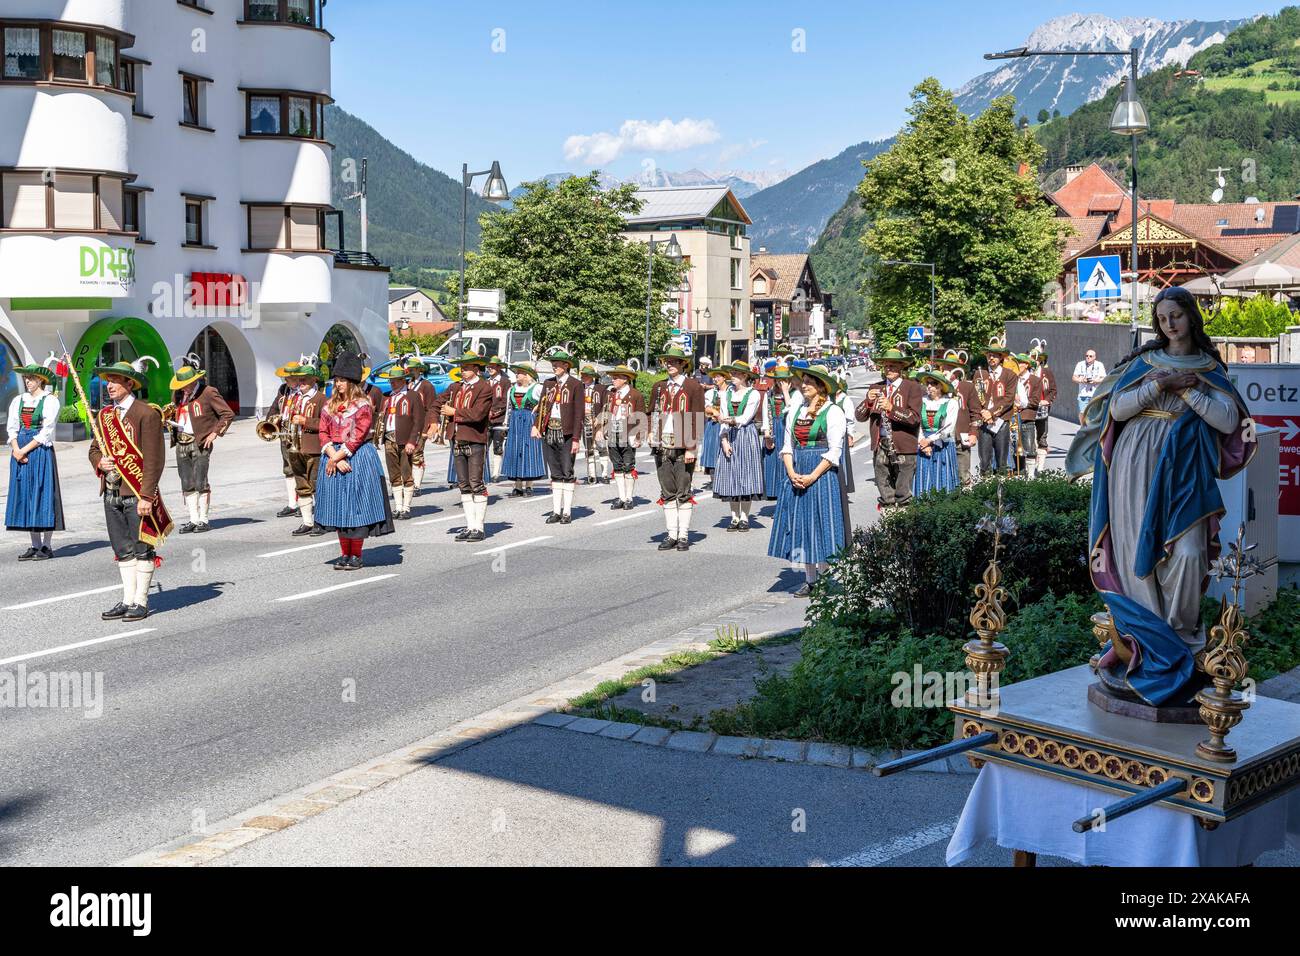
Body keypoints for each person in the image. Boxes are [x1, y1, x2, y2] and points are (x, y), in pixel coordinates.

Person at [1067, 287, 1254, 707]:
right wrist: (1161, 385)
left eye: (1176, 315)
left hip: (1185, 472)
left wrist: (1188, 390)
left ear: (1191, 317)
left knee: (1187, 553)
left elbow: (1227, 421)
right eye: (1162, 317)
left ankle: (1178, 642)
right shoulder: (1143, 362)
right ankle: (1147, 642)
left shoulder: (1211, 367)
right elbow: (1115, 411)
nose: (1169, 324)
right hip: (1135, 466)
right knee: (1137, 554)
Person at [86, 357, 173, 621]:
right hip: (111, 492)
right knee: (122, 548)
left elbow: (154, 459)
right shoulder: (104, 415)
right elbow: (94, 448)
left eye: (114, 381)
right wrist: (99, 460)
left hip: (136, 493)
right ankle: (127, 600)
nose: (109, 386)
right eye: (107, 381)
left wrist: (147, 496)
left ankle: (141, 601)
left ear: (129, 383)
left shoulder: (146, 414)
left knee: (142, 546)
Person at [768, 365, 850, 597]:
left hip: (821, 474)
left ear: (821, 386)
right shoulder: (796, 410)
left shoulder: (833, 412)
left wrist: (813, 475)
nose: (803, 384)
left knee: (821, 523)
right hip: (797, 470)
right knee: (801, 525)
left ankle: (825, 577)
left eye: (809, 381)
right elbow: (787, 446)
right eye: (802, 380)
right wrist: (791, 472)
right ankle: (810, 579)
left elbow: (835, 451)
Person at [314, 352, 394, 569]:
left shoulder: (362, 404)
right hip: (334, 456)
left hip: (357, 457)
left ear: (351, 382)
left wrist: (340, 455)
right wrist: (332, 455)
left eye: (342, 380)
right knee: (338, 508)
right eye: (337, 380)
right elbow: (323, 432)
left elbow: (359, 434)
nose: (338, 384)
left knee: (355, 507)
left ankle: (356, 555)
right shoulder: (329, 405)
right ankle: (344, 554)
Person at [168, 354, 234, 534]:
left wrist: (215, 433)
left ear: (194, 380)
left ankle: (203, 520)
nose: (184, 389)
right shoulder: (179, 394)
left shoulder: (208, 392)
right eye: (181, 386)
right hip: (181, 441)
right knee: (186, 482)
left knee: (200, 481)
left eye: (186, 385)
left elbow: (227, 414)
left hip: (200, 441)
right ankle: (193, 519)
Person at [649, 345, 705, 551]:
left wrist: (692, 447)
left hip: (684, 445)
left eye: (674, 361)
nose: (669, 365)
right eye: (667, 361)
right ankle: (671, 534)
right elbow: (650, 413)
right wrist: (648, 432)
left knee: (683, 490)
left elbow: (699, 418)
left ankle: (683, 535)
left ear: (683, 364)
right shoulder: (658, 387)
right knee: (667, 490)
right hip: (662, 443)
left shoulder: (693, 387)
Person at [6, 360, 64, 560]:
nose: (27, 381)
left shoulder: (50, 400)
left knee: (43, 492)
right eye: (26, 378)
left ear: (41, 380)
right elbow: (12, 427)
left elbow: (46, 432)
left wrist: (24, 450)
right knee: (27, 494)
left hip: (38, 450)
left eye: (31, 378)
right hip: (20, 449)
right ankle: (34, 544)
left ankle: (47, 546)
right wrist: (16, 449)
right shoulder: (18, 400)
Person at [855, 348, 921, 512]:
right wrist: (867, 402)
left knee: (903, 492)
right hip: (881, 446)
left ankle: (905, 526)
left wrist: (892, 408)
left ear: (901, 367)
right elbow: (859, 416)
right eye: (886, 366)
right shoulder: (876, 387)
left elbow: (914, 418)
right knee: (885, 490)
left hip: (904, 446)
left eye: (892, 366)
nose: (888, 369)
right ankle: (889, 523)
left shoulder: (912, 387)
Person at [443, 352, 495, 540]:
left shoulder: (484, 388)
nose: (462, 371)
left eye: (466, 368)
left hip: (475, 439)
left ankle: (479, 528)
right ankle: (470, 525)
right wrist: (432, 422)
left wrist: (454, 412)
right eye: (461, 368)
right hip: (457, 438)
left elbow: (478, 414)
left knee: (476, 483)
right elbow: (436, 403)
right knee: (463, 485)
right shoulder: (456, 387)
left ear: (475, 368)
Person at [713, 360, 765, 532]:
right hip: (729, 434)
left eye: (736, 374)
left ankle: (745, 517)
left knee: (745, 475)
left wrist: (732, 420)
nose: (732, 377)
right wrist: (724, 440)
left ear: (745, 376)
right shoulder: (726, 394)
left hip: (745, 434)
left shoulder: (753, 394)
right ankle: (734, 516)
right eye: (732, 374)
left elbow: (745, 418)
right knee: (731, 476)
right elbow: (723, 416)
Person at [534, 350, 585, 525]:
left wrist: (577, 439)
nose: (554, 366)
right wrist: (537, 426)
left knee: (567, 471)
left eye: (558, 363)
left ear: (566, 365)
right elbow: (541, 407)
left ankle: (567, 512)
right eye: (553, 363)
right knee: (554, 471)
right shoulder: (548, 384)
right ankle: (556, 511)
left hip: (567, 433)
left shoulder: (575, 385)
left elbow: (579, 414)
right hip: (549, 430)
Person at [287, 358, 327, 537]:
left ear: (313, 381)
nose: (300, 383)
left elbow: (328, 424)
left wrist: (305, 421)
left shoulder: (322, 399)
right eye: (299, 379)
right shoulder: (295, 398)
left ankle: (321, 521)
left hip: (314, 447)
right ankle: (307, 522)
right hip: (296, 447)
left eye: (304, 379)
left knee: (316, 485)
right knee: (301, 485)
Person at [380, 365, 426, 520]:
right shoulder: (388, 397)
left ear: (403, 380)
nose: (392, 383)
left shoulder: (412, 396)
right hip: (389, 438)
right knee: (394, 475)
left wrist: (412, 441)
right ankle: (398, 507)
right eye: (391, 380)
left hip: (405, 439)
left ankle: (406, 507)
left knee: (406, 473)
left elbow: (418, 421)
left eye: (396, 380)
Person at [935, 349, 981, 487]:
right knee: (942, 475)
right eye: (944, 367)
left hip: (961, 437)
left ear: (958, 371)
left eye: (950, 368)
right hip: (940, 438)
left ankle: (965, 501)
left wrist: (973, 433)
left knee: (963, 475)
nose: (946, 371)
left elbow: (976, 412)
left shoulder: (967, 387)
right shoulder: (937, 389)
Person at [500, 362, 546, 497]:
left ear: (527, 375)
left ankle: (529, 485)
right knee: (515, 450)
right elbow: (509, 408)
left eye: (519, 373)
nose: (516, 375)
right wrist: (506, 423)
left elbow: (544, 403)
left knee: (529, 450)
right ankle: (517, 486)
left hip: (529, 421)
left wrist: (538, 414)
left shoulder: (537, 388)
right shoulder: (512, 389)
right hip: (515, 422)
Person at [604, 365, 645, 509]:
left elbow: (641, 417)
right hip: (613, 430)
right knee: (617, 466)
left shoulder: (635, 395)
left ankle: (629, 498)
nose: (613, 380)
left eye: (616, 377)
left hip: (629, 432)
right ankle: (621, 497)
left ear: (625, 379)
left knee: (628, 465)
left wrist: (638, 436)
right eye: (613, 377)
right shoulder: (611, 394)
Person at [913, 370, 960, 497]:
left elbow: (948, 429)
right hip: (924, 445)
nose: (929, 386)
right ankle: (924, 506)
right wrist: (922, 442)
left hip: (943, 445)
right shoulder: (921, 401)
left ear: (941, 387)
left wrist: (930, 440)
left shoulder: (951, 403)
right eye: (927, 383)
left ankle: (944, 507)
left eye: (933, 383)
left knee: (942, 478)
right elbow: (917, 424)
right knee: (925, 478)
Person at [974, 340, 1017, 477]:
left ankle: (1001, 493)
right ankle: (985, 491)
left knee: (1001, 460)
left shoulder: (1010, 375)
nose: (991, 358)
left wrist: (991, 413)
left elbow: (1009, 399)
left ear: (1001, 357)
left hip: (1001, 421)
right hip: (984, 422)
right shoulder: (980, 374)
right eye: (988, 355)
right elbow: (976, 397)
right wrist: (983, 413)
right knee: (984, 460)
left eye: (995, 355)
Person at [762, 367, 800, 501]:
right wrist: (766, 433)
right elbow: (766, 414)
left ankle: (788, 499)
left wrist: (785, 392)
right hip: (774, 431)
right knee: (773, 467)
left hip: (787, 429)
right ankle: (777, 500)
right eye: (778, 380)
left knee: (787, 464)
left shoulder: (795, 394)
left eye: (783, 380)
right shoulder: (769, 394)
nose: (780, 383)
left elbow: (793, 410)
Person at [269, 364, 301, 519]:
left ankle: (305, 502)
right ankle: (292, 504)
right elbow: (275, 407)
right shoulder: (283, 390)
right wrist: (272, 420)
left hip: (299, 433)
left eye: (289, 378)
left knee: (301, 469)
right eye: (286, 378)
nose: (286, 380)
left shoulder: (304, 390)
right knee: (288, 469)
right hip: (285, 432)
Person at [402, 356, 438, 494]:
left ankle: (417, 485)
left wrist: (428, 427)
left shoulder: (426, 385)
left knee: (417, 453)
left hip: (421, 423)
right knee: (405, 454)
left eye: (411, 368)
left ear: (418, 369)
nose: (409, 370)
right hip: (406, 424)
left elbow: (431, 407)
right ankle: (407, 481)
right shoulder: (406, 383)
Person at [1013, 353, 1042, 479]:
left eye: (1019, 363)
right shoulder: (1012, 379)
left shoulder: (1035, 380)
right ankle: (1017, 472)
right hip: (1012, 418)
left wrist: (1021, 404)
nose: (1017, 366)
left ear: (1026, 365)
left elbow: (1036, 401)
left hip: (1027, 417)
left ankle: (1030, 475)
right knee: (1014, 447)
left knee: (1029, 447)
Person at [579, 364, 609, 485]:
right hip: (584, 420)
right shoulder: (579, 388)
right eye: (582, 375)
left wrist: (600, 420)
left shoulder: (601, 388)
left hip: (598, 421)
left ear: (592, 376)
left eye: (586, 375)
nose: (583, 377)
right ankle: (591, 475)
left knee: (601, 447)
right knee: (588, 448)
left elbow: (606, 406)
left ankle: (605, 474)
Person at [697, 368, 727, 487]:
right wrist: (714, 411)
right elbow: (706, 408)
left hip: (726, 424)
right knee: (711, 451)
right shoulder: (711, 393)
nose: (715, 379)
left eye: (718, 376)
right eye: (714, 377)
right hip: (713, 424)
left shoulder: (730, 392)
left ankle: (726, 479)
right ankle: (714, 480)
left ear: (724, 378)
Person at [483, 356, 511, 483]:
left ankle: (495, 473)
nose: (490, 368)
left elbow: (505, 401)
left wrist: (495, 412)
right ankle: (484, 472)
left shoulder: (505, 382)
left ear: (499, 368)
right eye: (489, 366)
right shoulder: (486, 381)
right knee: (483, 445)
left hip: (499, 419)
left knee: (498, 446)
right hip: (485, 419)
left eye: (493, 366)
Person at [1032, 349, 1057, 474]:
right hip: (1029, 409)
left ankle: (1040, 468)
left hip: (1042, 409)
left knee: (1042, 436)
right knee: (1030, 437)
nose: (1033, 360)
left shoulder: (1047, 373)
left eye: (1036, 358)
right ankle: (1031, 466)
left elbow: (1053, 390)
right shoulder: (1026, 373)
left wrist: (1046, 401)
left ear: (1040, 360)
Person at [833, 370, 858, 495]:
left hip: (842, 435)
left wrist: (850, 435)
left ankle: (842, 486)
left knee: (841, 460)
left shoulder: (845, 400)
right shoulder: (829, 398)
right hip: (830, 436)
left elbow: (850, 420)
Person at [1072, 348, 1106, 424]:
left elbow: (1104, 378)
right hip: (1083, 394)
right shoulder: (1080, 364)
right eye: (1087, 356)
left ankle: (1091, 430)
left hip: (1095, 394)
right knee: (1082, 413)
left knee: (1094, 414)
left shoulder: (1099, 365)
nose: (1088, 357)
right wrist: (1082, 380)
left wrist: (1095, 381)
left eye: (1090, 356)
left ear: (1095, 357)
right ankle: (1082, 427)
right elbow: (1074, 378)